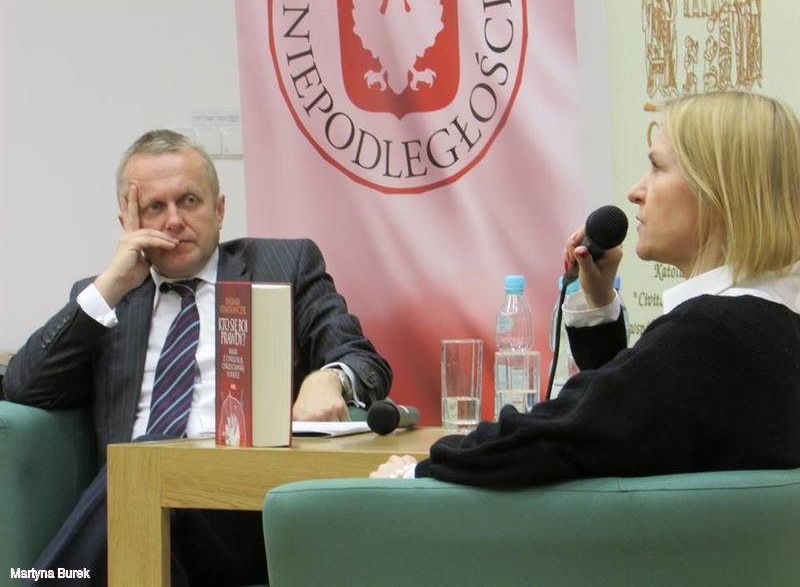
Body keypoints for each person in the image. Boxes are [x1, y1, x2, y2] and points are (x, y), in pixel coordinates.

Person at [5, 129, 392, 586]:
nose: (174, 221)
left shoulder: (284, 265)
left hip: (239, 511)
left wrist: (329, 379)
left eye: (189, 201)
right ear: (128, 220)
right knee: (142, 470)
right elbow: (23, 386)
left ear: (219, 209)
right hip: (130, 514)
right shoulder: (110, 301)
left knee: (148, 464)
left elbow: (363, 361)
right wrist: (112, 284)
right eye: (155, 207)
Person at [372, 90, 800, 486]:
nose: (636, 191)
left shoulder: (708, 334)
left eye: (657, 168)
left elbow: (554, 438)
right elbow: (622, 421)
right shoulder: (770, 325)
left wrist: (414, 474)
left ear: (716, 193)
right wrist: (599, 303)